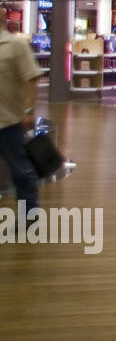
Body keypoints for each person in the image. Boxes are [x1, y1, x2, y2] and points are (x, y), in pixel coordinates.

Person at [0, 11, 41, 210]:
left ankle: (30, 212)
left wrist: (27, 110)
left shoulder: (16, 45)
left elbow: (31, 77)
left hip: (9, 121)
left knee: (20, 170)